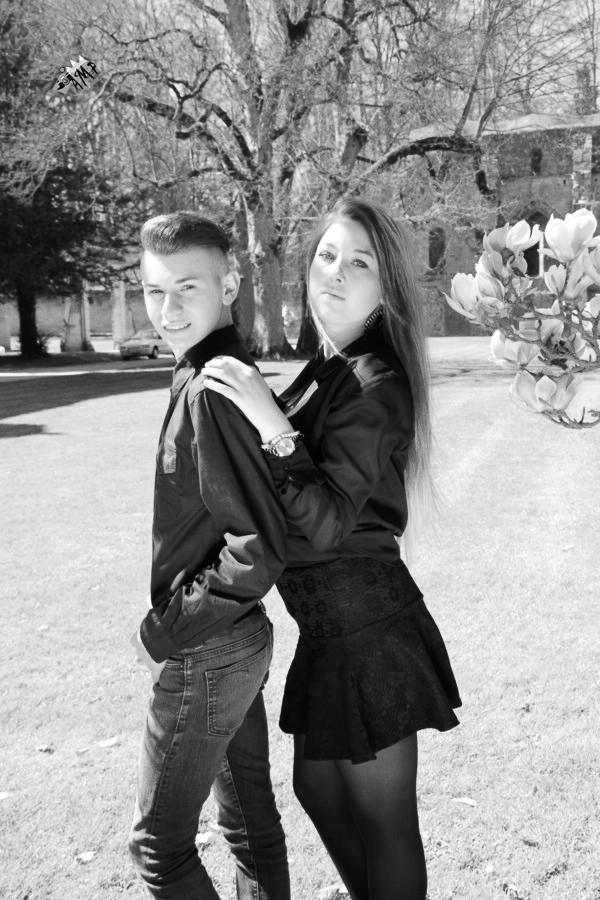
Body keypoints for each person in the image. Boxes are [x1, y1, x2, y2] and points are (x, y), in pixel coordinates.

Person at [200, 197, 462, 900]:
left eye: (360, 262)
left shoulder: (376, 383)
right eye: (326, 255)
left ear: (386, 287)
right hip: (329, 628)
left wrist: (271, 425)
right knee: (318, 788)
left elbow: (325, 523)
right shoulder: (327, 367)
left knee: (385, 820)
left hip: (369, 627)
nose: (336, 272)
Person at [128, 211, 290, 900]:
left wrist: (162, 631)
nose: (167, 309)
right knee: (250, 825)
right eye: (154, 290)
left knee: (158, 850)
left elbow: (256, 550)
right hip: (233, 642)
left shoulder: (212, 390)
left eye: (186, 288)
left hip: (209, 649)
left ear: (228, 287)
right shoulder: (207, 373)